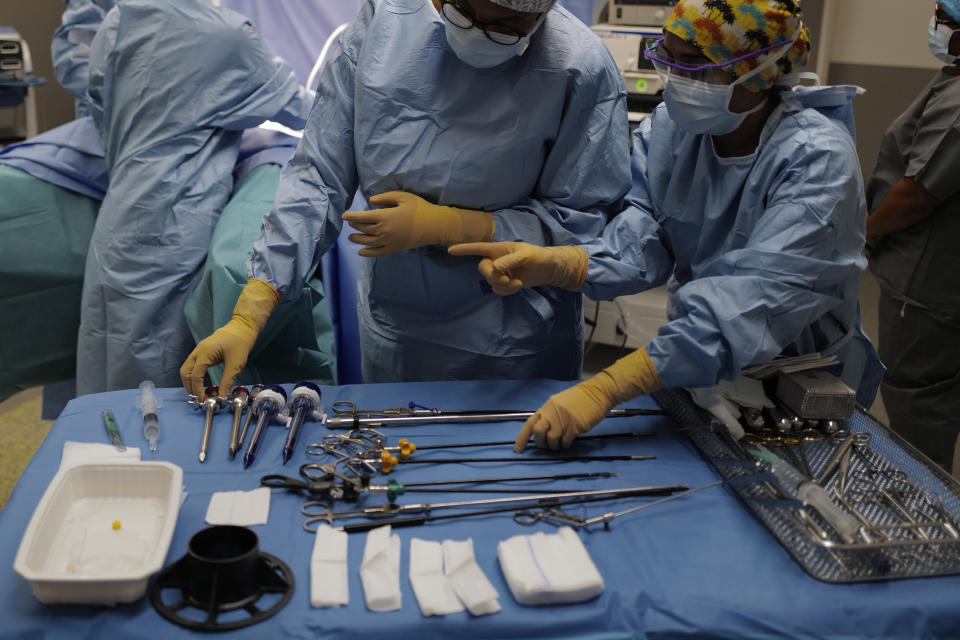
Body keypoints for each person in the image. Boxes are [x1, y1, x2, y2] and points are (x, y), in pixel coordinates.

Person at [451, 0, 884, 451]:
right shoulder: (676, 132)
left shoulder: (818, 161)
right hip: (695, 366)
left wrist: (606, 387)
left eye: (693, 65)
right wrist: (559, 264)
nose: (674, 78)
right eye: (668, 57)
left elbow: (751, 305)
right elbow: (643, 237)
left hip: (798, 386)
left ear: (759, 71)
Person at [181, 0, 631, 400]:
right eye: (462, 12)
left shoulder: (580, 67)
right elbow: (320, 174)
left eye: (506, 29)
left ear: (542, 13)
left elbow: (582, 222)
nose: (477, 34)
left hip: (516, 345)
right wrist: (253, 307)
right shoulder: (386, 24)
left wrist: (455, 226)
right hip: (400, 329)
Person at [77, 0, 314, 394]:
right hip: (173, 231)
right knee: (161, 386)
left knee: (108, 369)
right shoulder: (227, 35)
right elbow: (306, 110)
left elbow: (102, 109)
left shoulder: (118, 21)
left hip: (117, 222)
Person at [865, 1, 960, 472]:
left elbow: (916, 196)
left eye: (944, 15)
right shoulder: (952, 81)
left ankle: (923, 520)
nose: (937, 23)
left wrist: (860, 233)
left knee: (918, 408)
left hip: (925, 288)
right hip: (942, 277)